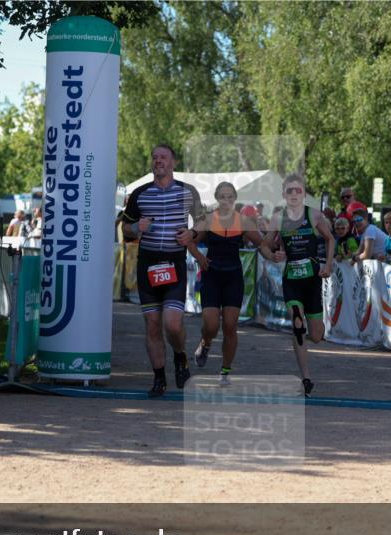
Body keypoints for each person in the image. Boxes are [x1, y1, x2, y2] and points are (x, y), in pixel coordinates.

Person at [120, 144, 205, 397]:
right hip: (148, 265)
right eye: (155, 157)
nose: (159, 161)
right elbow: (124, 227)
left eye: (164, 157)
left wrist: (192, 234)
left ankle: (180, 357)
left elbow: (203, 221)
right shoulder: (139, 194)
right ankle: (159, 378)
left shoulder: (188, 192)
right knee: (153, 324)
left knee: (172, 323)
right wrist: (136, 229)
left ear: (174, 163)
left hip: (174, 263)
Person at [179, 182, 267, 386]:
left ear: (234, 199)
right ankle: (205, 342)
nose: (226, 201)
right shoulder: (208, 220)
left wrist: (273, 254)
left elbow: (261, 244)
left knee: (230, 326)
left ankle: (225, 371)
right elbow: (189, 240)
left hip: (233, 277)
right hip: (211, 276)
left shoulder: (244, 222)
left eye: (230, 197)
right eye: (222, 197)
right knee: (211, 325)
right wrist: (200, 257)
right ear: (218, 199)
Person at [258, 173, 335, 397]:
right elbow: (264, 245)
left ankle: (306, 332)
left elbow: (330, 239)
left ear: (303, 194)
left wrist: (327, 264)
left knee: (317, 335)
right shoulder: (278, 219)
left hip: (312, 280)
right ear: (284, 194)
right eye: (289, 191)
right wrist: (272, 255)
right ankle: (306, 377)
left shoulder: (314, 215)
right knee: (298, 324)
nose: (293, 194)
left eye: (297, 190)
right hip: (291, 278)